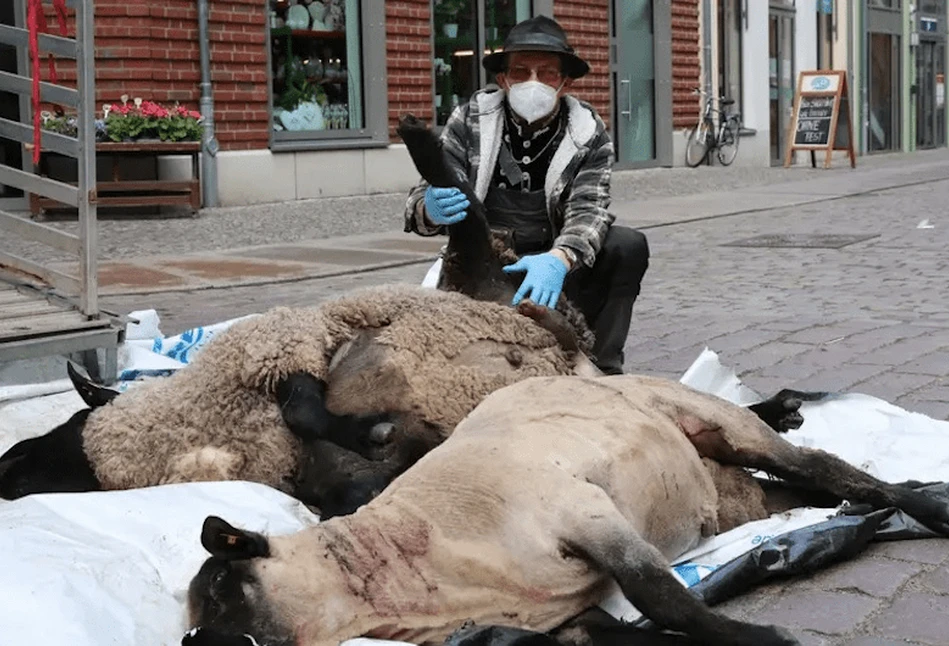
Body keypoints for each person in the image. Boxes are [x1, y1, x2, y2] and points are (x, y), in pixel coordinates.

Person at [403, 15, 649, 375]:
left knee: (627, 246)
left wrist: (560, 259)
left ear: (565, 82)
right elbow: (423, 198)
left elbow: (590, 210)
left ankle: (605, 367)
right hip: (485, 259)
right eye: (521, 71)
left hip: (554, 262)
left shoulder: (588, 132)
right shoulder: (469, 119)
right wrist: (430, 208)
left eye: (547, 73)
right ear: (503, 79)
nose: (533, 83)